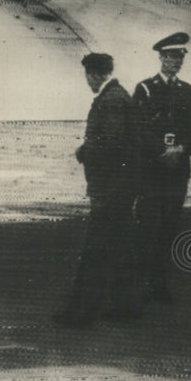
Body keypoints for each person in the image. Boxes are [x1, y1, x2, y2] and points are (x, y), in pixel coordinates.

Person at [54, 53, 140, 327]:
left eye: (87, 75)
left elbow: (111, 144)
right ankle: (125, 308)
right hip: (120, 189)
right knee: (119, 249)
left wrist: (85, 151)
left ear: (93, 74)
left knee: (95, 253)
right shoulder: (118, 96)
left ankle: (81, 313)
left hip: (109, 190)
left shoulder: (111, 100)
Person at [133, 32, 191, 303]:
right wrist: (162, 151)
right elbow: (139, 129)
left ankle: (159, 282)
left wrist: (182, 149)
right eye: (171, 56)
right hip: (153, 170)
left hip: (176, 172)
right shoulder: (145, 89)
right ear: (161, 57)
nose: (176, 61)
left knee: (169, 227)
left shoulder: (188, 91)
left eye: (180, 57)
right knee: (148, 225)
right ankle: (141, 282)